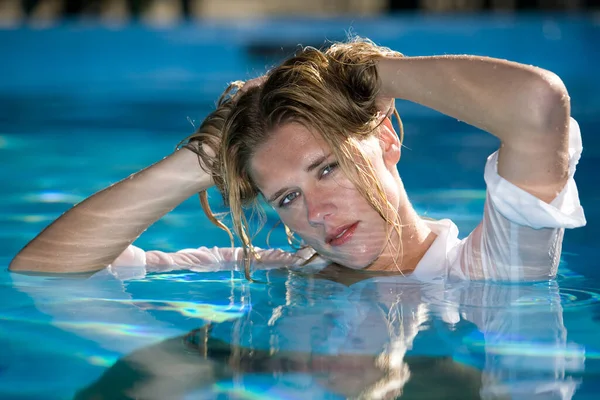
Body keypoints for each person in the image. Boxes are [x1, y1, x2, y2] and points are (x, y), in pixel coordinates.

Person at [8, 37, 586, 283]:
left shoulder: (490, 268)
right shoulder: (277, 271)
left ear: (386, 138)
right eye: (286, 197)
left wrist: (365, 75)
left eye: (327, 168)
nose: (317, 212)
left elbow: (537, 104)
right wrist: (197, 163)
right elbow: (46, 270)